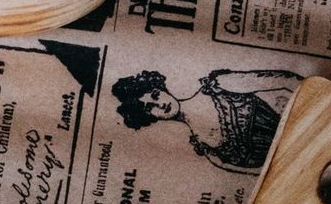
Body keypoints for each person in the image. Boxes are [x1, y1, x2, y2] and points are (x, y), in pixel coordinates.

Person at [109, 68, 301, 173]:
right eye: (149, 108)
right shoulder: (212, 154)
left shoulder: (218, 86)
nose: (160, 105)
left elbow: (286, 81)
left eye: (156, 95)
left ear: (162, 88)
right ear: (149, 117)